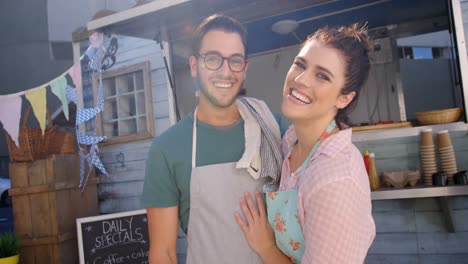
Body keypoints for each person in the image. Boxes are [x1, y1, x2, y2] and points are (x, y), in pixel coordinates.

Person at [142, 14, 289, 264]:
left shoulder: (275, 129)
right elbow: (163, 253)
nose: (225, 71)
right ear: (193, 66)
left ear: (245, 69)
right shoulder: (167, 149)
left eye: (235, 61)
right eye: (212, 59)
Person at [235, 24, 376, 263]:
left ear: (344, 97)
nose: (300, 80)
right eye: (300, 65)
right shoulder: (289, 143)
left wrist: (267, 247)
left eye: (322, 76)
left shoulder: (336, 179)